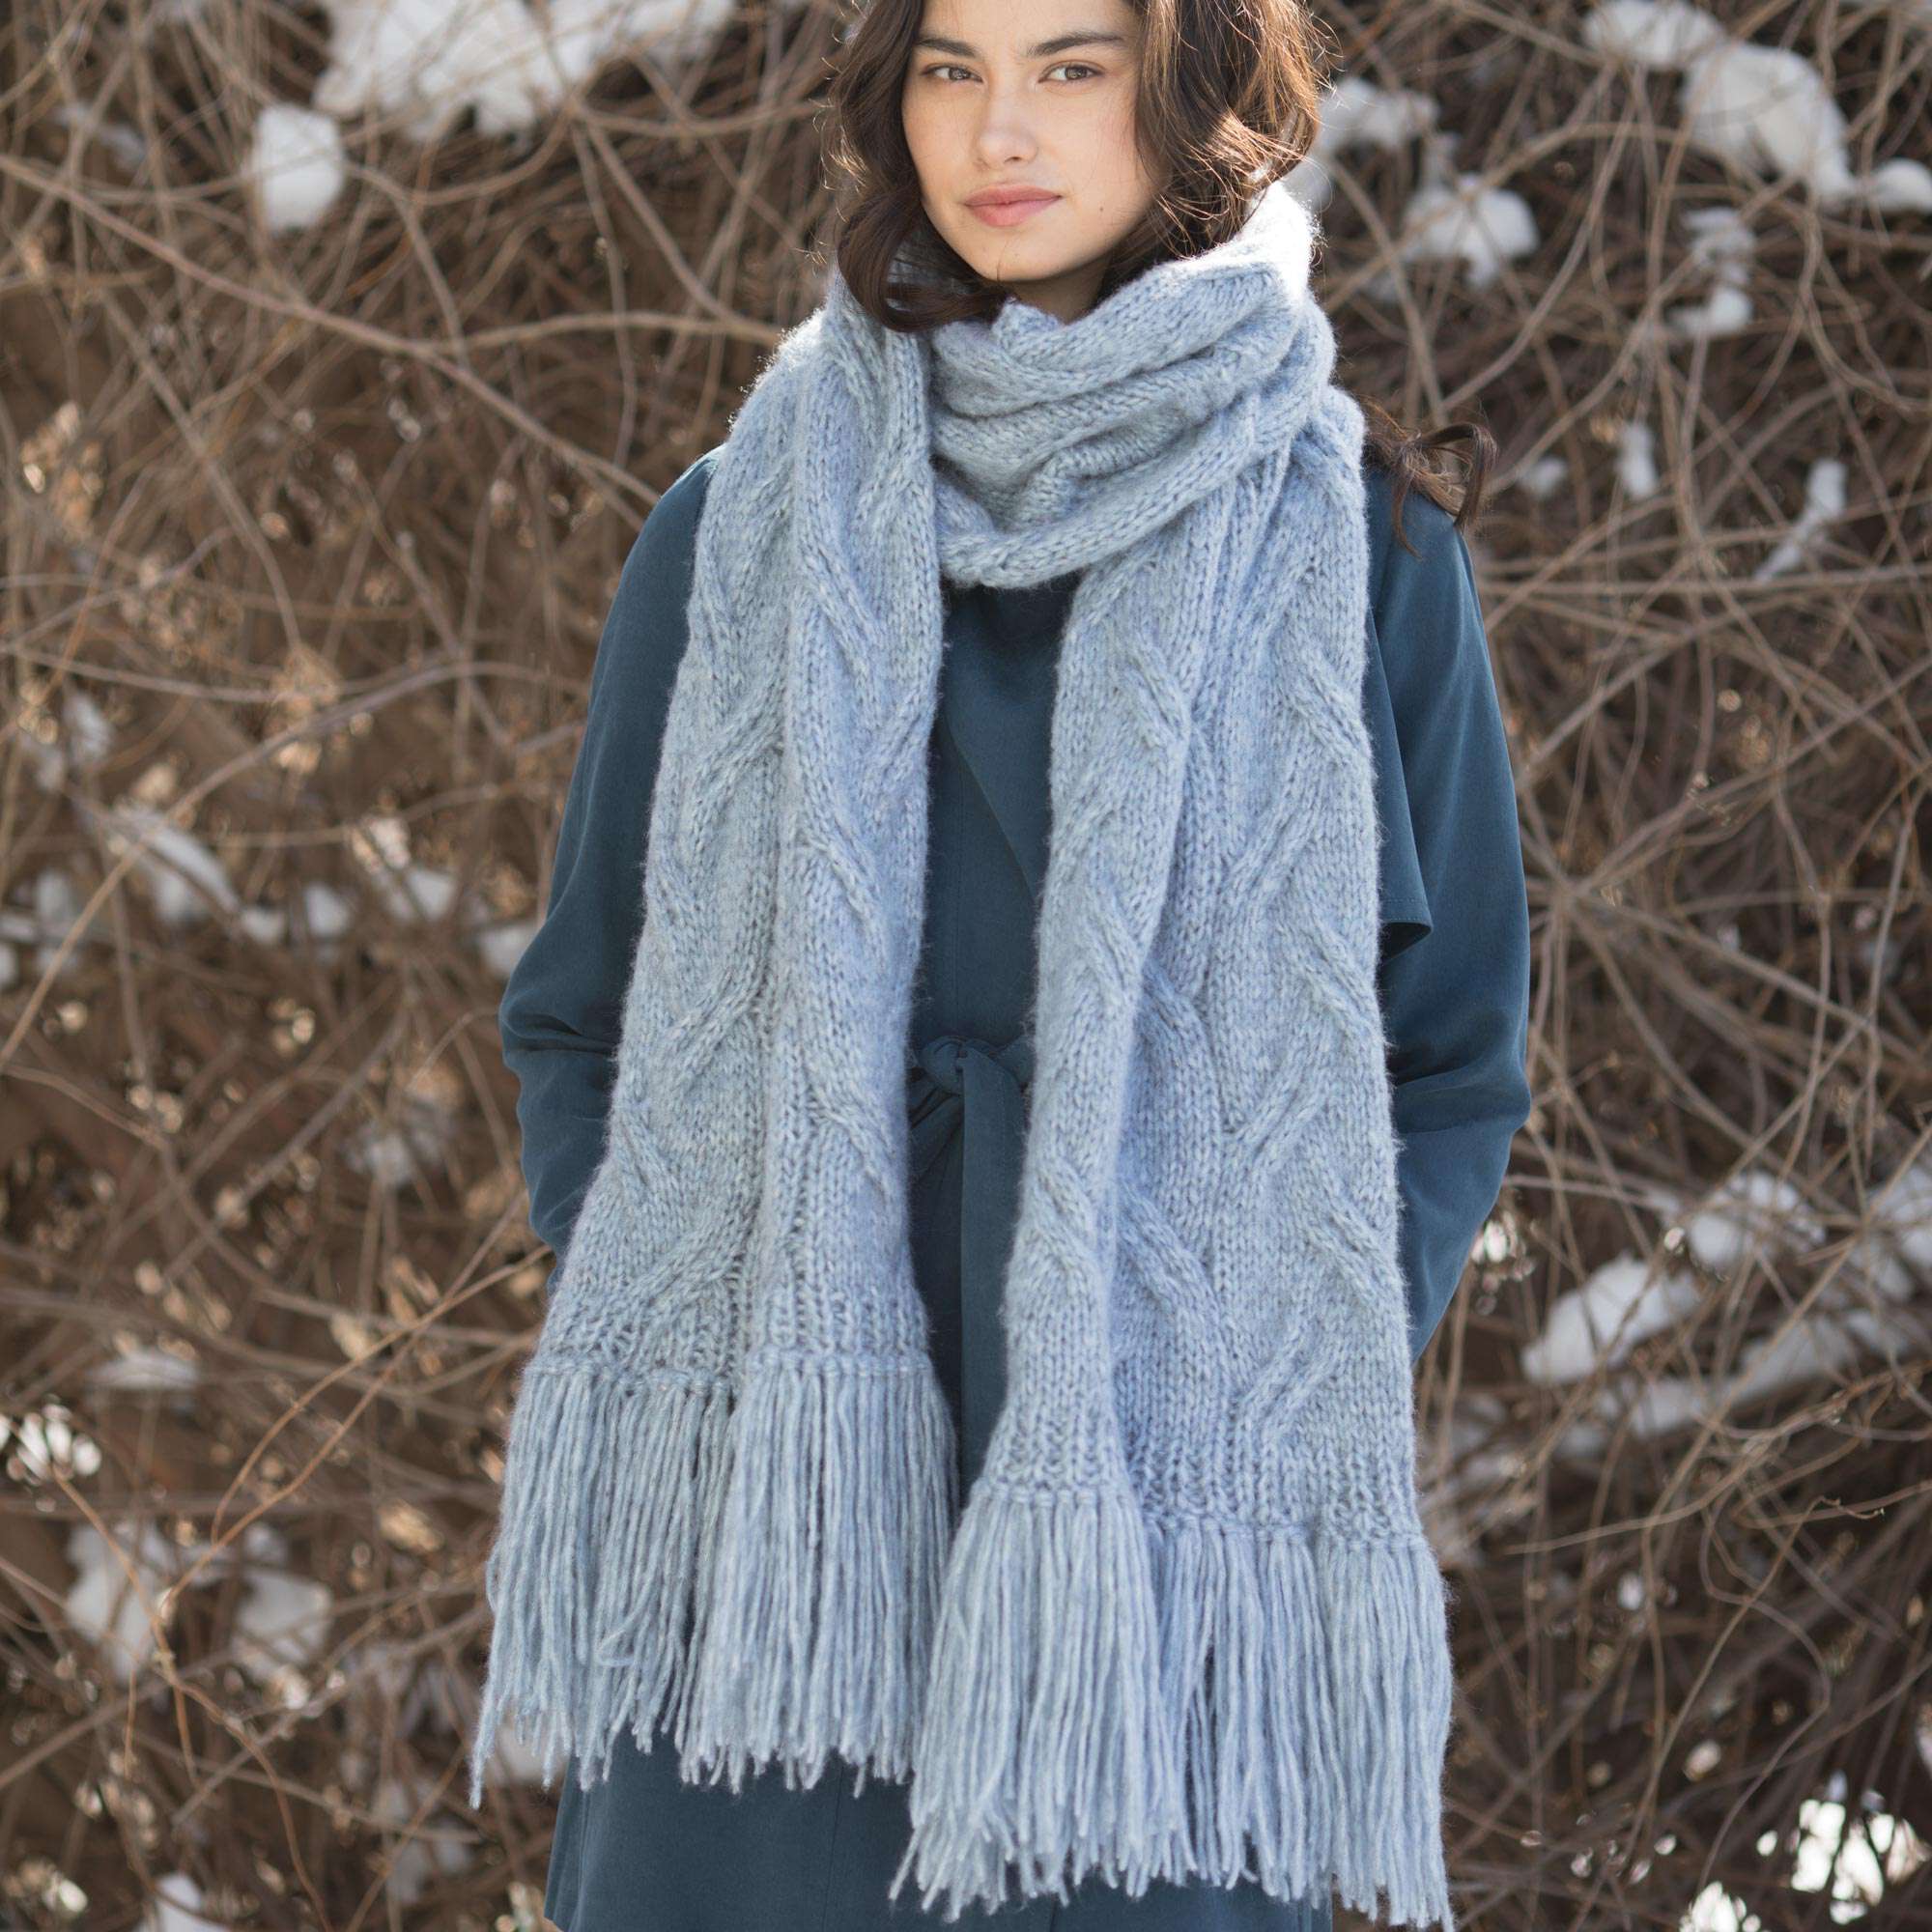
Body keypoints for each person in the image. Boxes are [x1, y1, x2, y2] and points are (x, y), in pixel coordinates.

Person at [484, 0, 1534, 1925]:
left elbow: (1450, 1052)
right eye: (950, 67)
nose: (1000, 130)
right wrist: (705, 1304)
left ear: (1189, 96)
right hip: (775, 1541)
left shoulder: (1363, 553)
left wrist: (1261, 1346)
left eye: (1071, 64)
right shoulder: (736, 526)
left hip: (1157, 1555)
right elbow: (583, 1007)